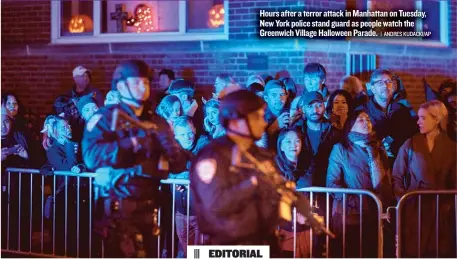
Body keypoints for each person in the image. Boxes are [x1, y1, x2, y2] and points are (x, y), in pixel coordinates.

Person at [190, 89, 329, 254]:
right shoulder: (213, 156)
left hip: (263, 241)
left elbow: (281, 187)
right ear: (236, 120)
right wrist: (252, 183)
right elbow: (214, 205)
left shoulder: (260, 155)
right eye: (257, 117)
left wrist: (306, 213)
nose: (263, 123)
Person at [82, 60, 189, 258]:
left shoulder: (156, 121)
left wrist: (171, 149)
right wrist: (130, 144)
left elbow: (177, 163)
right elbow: (90, 156)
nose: (144, 87)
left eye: (147, 83)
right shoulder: (106, 118)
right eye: (138, 83)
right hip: (118, 204)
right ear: (121, 86)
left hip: (149, 204)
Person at [326, 109, 394, 258]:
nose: (366, 122)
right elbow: (332, 183)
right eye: (361, 120)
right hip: (350, 215)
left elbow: (386, 180)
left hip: (374, 212)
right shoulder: (341, 149)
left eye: (368, 119)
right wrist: (354, 200)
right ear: (351, 125)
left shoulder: (379, 149)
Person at [392, 100, 456, 258]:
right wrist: (403, 200)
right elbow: (397, 175)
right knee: (414, 250)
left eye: (423, 118)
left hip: (441, 211)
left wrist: (448, 205)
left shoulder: (452, 148)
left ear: (437, 119)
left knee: (439, 250)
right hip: (414, 208)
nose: (418, 121)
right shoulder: (411, 144)